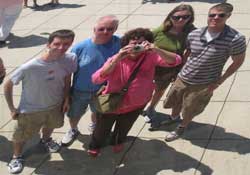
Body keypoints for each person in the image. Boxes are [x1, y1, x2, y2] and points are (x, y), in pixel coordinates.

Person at [87, 28, 182, 157]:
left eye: (140, 43)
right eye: (133, 43)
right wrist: (118, 58)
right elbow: (96, 78)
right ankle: (95, 145)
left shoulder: (151, 56)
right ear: (126, 44)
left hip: (136, 104)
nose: (136, 46)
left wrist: (156, 49)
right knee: (101, 129)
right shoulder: (117, 58)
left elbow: (176, 60)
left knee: (124, 128)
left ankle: (117, 141)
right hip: (112, 103)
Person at [163, 3, 246, 142]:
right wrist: (178, 71)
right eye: (212, 15)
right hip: (183, 77)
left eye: (221, 15)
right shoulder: (194, 34)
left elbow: (238, 62)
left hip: (204, 83)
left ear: (228, 16)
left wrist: (220, 81)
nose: (215, 18)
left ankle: (182, 127)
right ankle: (174, 118)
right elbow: (188, 53)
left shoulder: (235, 39)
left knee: (190, 108)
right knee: (175, 101)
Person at [4, 29, 77, 174]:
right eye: (57, 44)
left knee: (51, 125)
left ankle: (46, 140)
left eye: (66, 44)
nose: (62, 48)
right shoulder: (30, 66)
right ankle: (16, 157)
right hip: (31, 109)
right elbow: (8, 85)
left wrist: (66, 98)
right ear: (48, 44)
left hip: (56, 105)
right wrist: (12, 108)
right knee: (20, 135)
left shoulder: (71, 58)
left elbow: (67, 78)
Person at [61, 15, 121, 146]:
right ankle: (73, 130)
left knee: (98, 112)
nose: (106, 32)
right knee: (74, 113)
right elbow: (68, 73)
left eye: (110, 29)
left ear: (115, 29)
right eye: (102, 28)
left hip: (104, 90)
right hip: (80, 90)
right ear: (94, 29)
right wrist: (66, 95)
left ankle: (94, 126)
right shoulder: (80, 48)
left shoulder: (120, 43)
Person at [143, 4, 196, 128]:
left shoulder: (191, 32)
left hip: (171, 68)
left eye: (185, 17)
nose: (181, 20)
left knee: (160, 90)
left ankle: (151, 108)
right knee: (145, 88)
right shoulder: (160, 30)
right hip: (152, 66)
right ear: (170, 16)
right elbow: (147, 42)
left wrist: (183, 67)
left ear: (190, 18)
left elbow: (189, 51)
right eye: (177, 17)